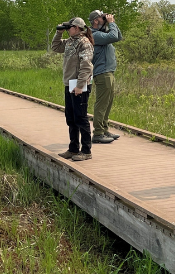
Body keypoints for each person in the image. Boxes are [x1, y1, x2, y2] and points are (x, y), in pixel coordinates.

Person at [51, 17, 95, 162]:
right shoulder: (70, 41)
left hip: (79, 85)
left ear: (77, 28)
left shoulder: (84, 43)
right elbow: (55, 47)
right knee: (71, 118)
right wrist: (59, 33)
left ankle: (86, 150)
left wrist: (80, 86)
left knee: (81, 118)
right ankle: (73, 148)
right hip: (69, 84)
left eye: (69, 27)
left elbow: (87, 66)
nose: (68, 29)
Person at [89, 10, 123, 145]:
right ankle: (98, 133)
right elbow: (114, 37)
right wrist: (111, 23)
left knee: (108, 102)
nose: (105, 18)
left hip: (108, 72)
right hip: (102, 73)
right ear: (96, 21)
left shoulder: (102, 33)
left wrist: (112, 24)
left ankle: (104, 130)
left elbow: (118, 36)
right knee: (102, 103)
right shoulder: (94, 34)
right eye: (101, 17)